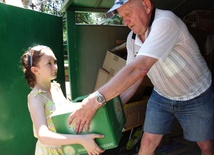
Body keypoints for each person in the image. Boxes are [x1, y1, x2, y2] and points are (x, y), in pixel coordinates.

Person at [68, 0, 214, 154]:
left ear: (146, 5)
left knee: (205, 145)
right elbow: (133, 80)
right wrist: (113, 108)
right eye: (122, 16)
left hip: (196, 95)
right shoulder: (132, 39)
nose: (125, 21)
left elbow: (139, 68)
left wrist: (95, 101)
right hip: (162, 96)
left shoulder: (166, 21)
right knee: (147, 142)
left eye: (128, 13)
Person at [20, 45, 104, 155]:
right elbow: (43, 136)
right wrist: (81, 140)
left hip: (67, 149)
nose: (55, 67)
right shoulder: (36, 97)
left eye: (55, 62)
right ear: (35, 70)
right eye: (49, 63)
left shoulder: (56, 87)